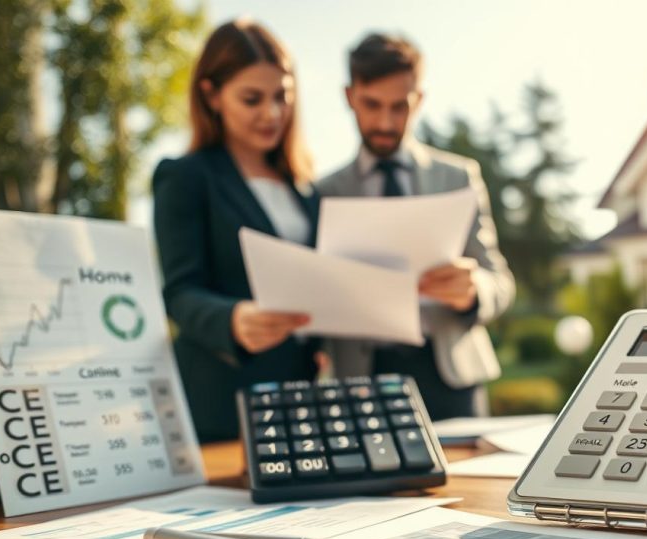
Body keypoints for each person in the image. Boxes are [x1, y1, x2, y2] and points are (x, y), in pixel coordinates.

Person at [316, 33, 515, 420]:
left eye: (399, 107)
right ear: (349, 96)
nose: (385, 122)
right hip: (362, 379)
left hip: (450, 375)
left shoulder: (458, 177)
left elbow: (500, 280)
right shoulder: (323, 192)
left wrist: (474, 291)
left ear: (419, 100)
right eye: (372, 105)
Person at [153, 19, 318, 442]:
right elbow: (179, 291)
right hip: (224, 401)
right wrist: (232, 319)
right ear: (211, 95)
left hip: (302, 397)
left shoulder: (304, 187)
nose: (272, 114)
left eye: (281, 97)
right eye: (252, 99)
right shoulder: (186, 176)